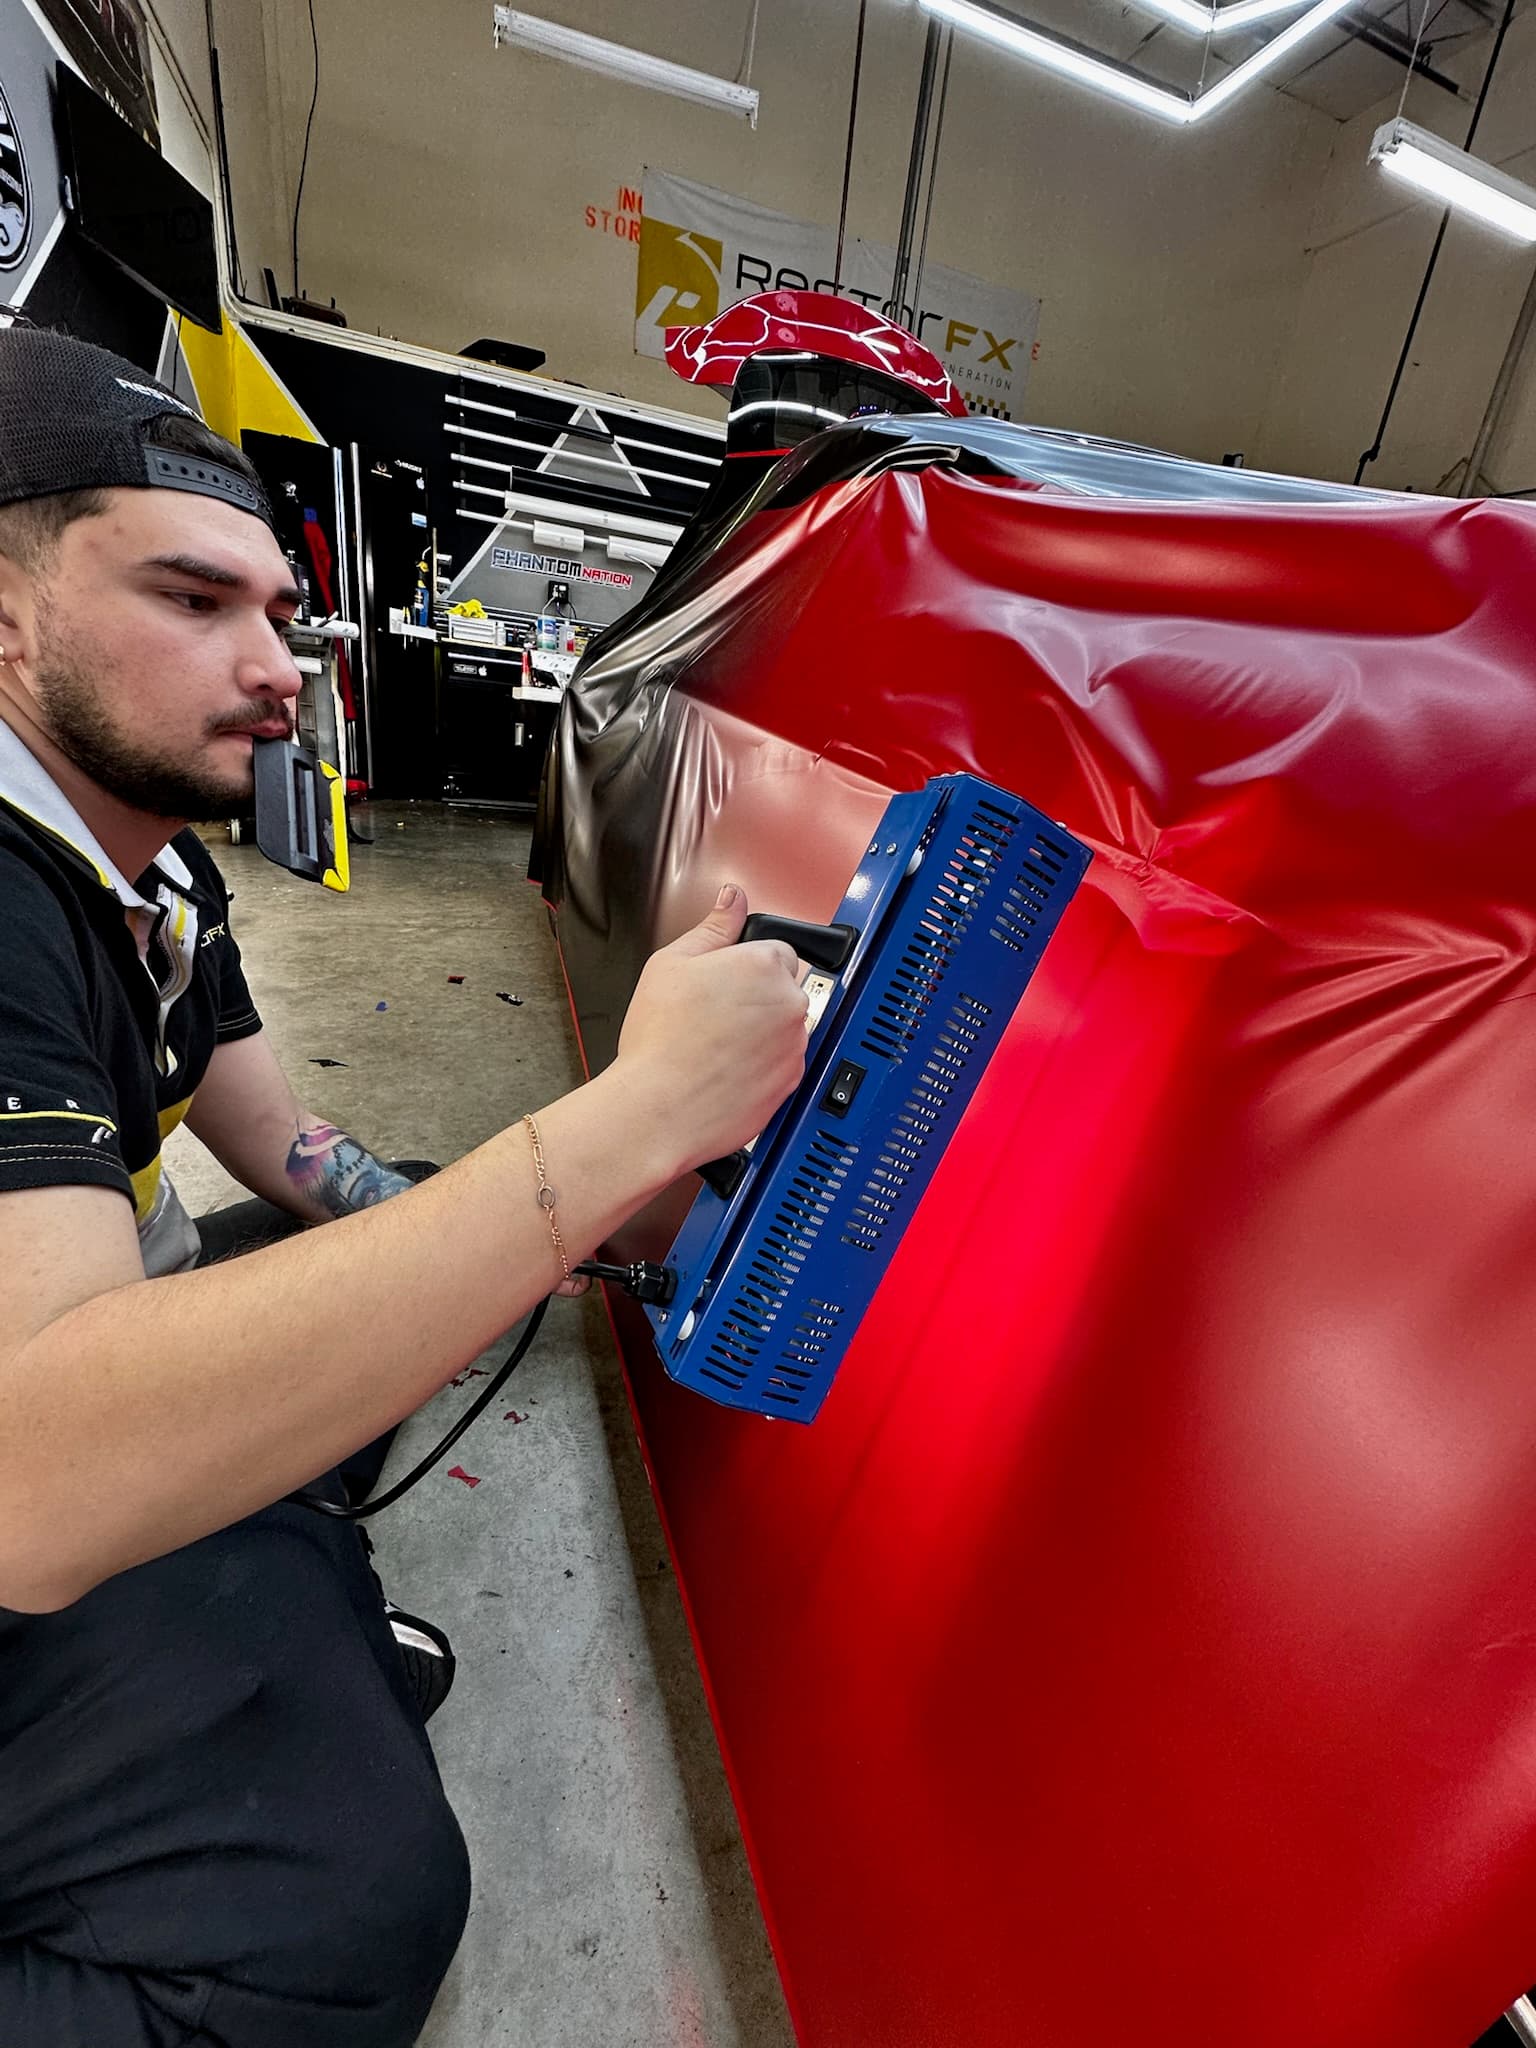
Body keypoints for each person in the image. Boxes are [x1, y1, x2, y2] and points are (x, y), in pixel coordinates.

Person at [0, 320, 810, 2047]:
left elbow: (286, 1149)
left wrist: (561, 1225)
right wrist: (623, 1123)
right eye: (191, 600)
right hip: (28, 1478)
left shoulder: (152, 868)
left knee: (426, 1225)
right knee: (355, 1911)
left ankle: (263, 1594)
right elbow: (40, 1480)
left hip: (88, 1348)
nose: (275, 666)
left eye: (281, 615)